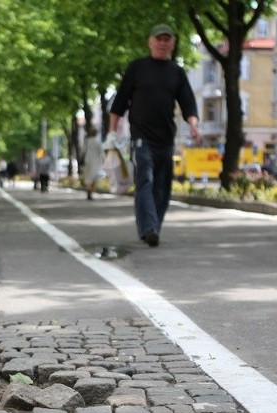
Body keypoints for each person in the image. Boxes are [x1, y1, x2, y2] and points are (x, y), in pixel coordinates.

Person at [108, 24, 200, 247]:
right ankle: (149, 228)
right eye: (159, 39)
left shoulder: (176, 72)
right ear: (150, 42)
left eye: (167, 40)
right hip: (141, 137)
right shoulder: (137, 68)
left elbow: (188, 102)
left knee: (162, 186)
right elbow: (119, 102)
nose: (163, 43)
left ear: (173, 44)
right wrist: (112, 130)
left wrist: (194, 125)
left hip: (166, 139)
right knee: (145, 180)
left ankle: (152, 227)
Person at [82, 127, 104, 200]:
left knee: (88, 177)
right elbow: (101, 152)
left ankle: (88, 192)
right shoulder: (98, 142)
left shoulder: (87, 141)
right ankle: (91, 193)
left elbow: (83, 150)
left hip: (88, 160)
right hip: (96, 162)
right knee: (94, 177)